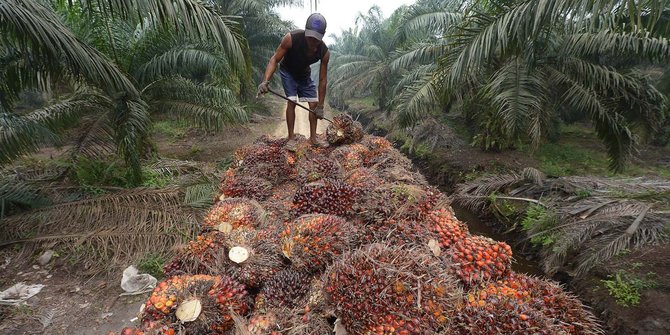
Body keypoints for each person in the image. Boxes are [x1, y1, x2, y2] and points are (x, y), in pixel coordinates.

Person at [257, 13, 330, 147]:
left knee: (313, 104)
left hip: (304, 75)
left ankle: (313, 139)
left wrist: (321, 106)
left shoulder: (324, 52)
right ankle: (291, 138)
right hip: (288, 72)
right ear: (306, 31)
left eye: (316, 39)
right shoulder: (291, 38)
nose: (312, 41)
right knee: (292, 101)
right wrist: (265, 81)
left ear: (322, 36)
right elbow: (274, 59)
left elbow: (323, 79)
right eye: (310, 37)